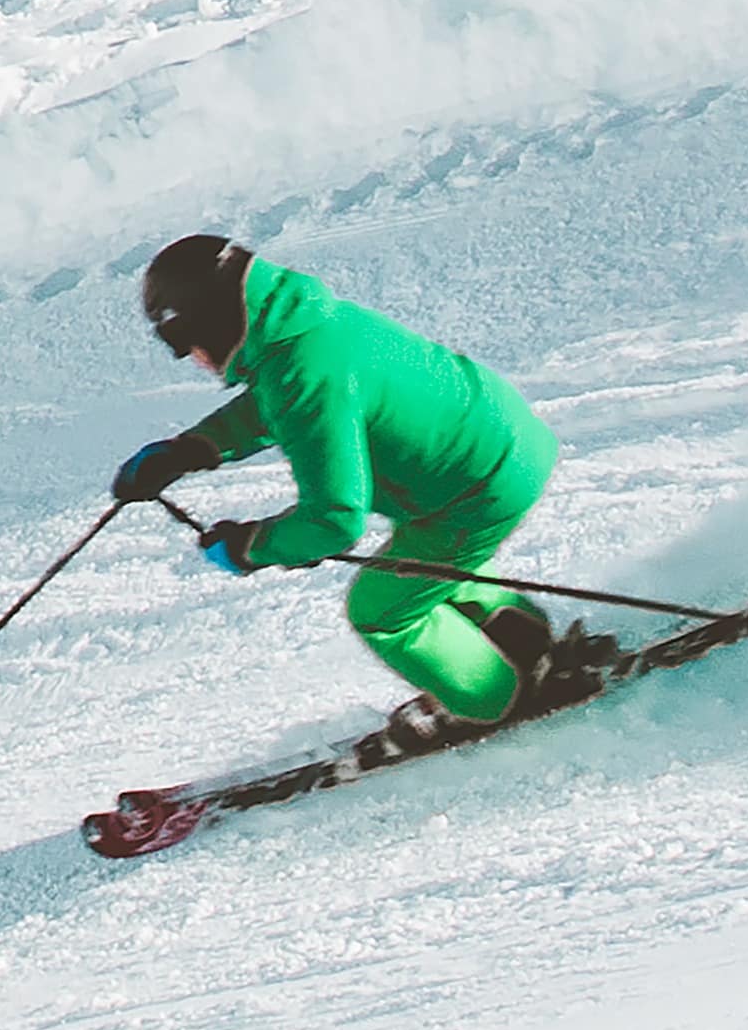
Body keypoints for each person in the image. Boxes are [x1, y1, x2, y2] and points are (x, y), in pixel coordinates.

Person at [111, 235, 589, 736]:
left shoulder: (303, 370)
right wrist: (191, 449)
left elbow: (334, 520)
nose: (196, 361)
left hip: (478, 487)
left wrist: (249, 548)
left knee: (380, 609)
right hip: (493, 444)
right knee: (421, 569)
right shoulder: (303, 327)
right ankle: (524, 641)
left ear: (215, 321)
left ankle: (494, 698)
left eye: (188, 345)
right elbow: (280, 402)